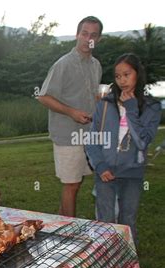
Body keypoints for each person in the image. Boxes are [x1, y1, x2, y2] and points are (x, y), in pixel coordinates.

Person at [86, 53, 161, 244]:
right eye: (118, 76)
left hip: (132, 174)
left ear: (138, 74)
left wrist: (131, 108)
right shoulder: (104, 104)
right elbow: (92, 139)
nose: (122, 80)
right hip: (105, 171)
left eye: (127, 74)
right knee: (105, 221)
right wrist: (100, 165)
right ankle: (104, 263)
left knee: (127, 221)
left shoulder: (151, 106)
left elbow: (142, 142)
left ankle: (127, 266)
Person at [38, 16, 103, 217]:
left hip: (89, 135)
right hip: (67, 134)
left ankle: (60, 225)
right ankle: (69, 234)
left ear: (98, 39)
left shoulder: (96, 65)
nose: (87, 39)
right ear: (77, 34)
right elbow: (43, 97)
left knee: (76, 182)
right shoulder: (63, 64)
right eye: (84, 33)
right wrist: (72, 112)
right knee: (71, 185)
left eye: (93, 35)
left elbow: (93, 97)